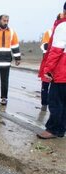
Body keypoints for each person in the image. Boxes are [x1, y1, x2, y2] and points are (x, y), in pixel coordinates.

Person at [37, 2, 66, 139]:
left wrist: (48, 70)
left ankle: (53, 129)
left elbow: (55, 51)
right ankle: (61, 129)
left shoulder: (63, 26)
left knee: (55, 101)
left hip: (62, 72)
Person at [40, 29, 52, 111]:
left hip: (61, 63)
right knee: (45, 84)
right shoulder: (49, 32)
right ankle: (44, 103)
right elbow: (44, 46)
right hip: (48, 62)